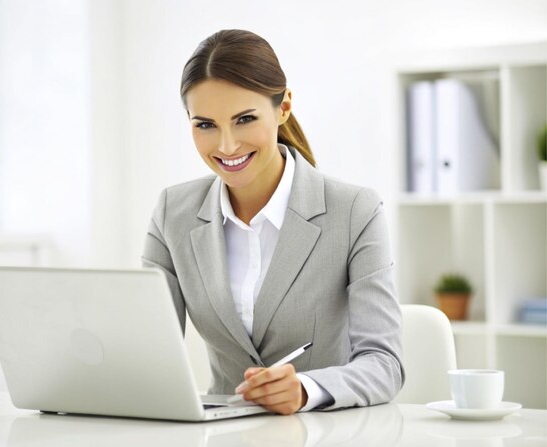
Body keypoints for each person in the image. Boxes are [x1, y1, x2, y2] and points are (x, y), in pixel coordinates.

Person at [142, 29, 404, 415]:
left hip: (325, 435)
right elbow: (148, 349)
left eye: (245, 119)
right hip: (223, 435)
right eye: (205, 125)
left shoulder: (355, 211)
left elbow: (385, 363)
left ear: (283, 108)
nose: (227, 146)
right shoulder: (172, 212)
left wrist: (306, 389)